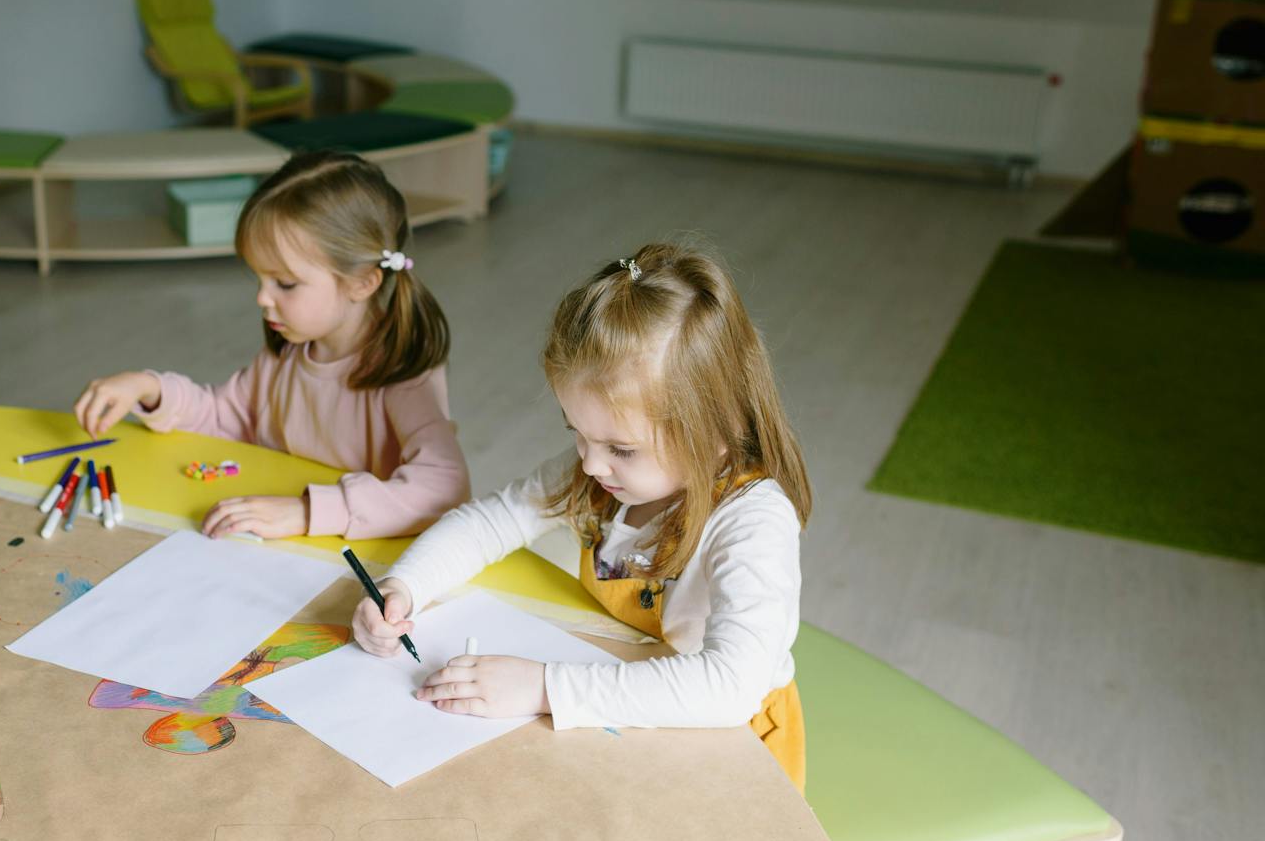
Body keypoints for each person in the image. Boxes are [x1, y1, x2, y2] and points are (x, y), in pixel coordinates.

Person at [353, 242, 811, 791]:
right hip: (624, 706)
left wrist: (543, 688)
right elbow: (490, 523)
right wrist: (404, 586)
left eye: (621, 448)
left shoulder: (753, 522)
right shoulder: (601, 470)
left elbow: (729, 686)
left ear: (714, 436)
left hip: (728, 748)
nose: (591, 463)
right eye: (576, 432)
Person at [74, 151, 470, 540]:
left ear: (362, 282)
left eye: (284, 283)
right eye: (259, 279)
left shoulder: (404, 372)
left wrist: (307, 512)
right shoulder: (287, 353)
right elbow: (223, 416)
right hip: (274, 543)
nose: (262, 298)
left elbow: (444, 489)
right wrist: (149, 388)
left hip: (357, 560)